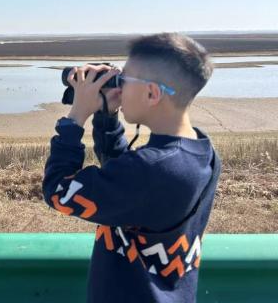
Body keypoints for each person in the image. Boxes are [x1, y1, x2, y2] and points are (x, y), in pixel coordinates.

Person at [42, 32, 221, 302]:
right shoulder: (201, 152)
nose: (119, 87)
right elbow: (126, 182)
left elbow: (58, 190)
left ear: (151, 93)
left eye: (124, 79)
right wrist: (107, 117)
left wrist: (75, 117)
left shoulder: (151, 169)